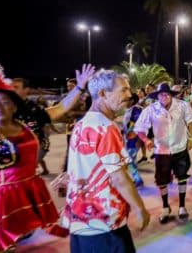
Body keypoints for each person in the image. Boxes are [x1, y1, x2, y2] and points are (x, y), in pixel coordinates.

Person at [63, 69, 149, 252]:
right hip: (104, 223)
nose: (129, 95)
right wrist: (140, 208)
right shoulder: (105, 127)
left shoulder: (81, 125)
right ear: (102, 94)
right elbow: (119, 177)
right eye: (123, 90)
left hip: (80, 221)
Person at [0, 69, 61, 252]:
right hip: (0, 203)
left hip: (26, 193)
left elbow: (57, 112)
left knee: (24, 241)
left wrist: (79, 88)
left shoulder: (24, 125)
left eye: (4, 102)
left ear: (15, 106)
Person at [135, 83, 192, 223]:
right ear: (157, 96)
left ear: (171, 95)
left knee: (182, 176)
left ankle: (182, 206)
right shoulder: (151, 109)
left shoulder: (182, 105)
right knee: (162, 180)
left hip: (180, 148)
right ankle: (165, 207)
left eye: (167, 94)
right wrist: (146, 140)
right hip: (161, 150)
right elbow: (140, 127)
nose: (165, 96)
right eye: (161, 94)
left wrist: (191, 138)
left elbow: (191, 120)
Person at [121, 93, 144, 187]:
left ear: (132, 100)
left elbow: (138, 125)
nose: (124, 101)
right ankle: (137, 179)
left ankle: (138, 179)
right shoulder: (129, 110)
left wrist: (139, 139)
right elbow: (127, 124)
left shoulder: (136, 109)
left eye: (126, 99)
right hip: (129, 139)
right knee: (130, 160)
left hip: (134, 139)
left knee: (130, 160)